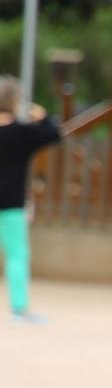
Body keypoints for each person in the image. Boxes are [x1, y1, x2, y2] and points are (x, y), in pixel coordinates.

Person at [0, 76, 62, 326]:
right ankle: (19, 309)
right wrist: (41, 114)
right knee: (16, 255)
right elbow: (53, 134)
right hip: (12, 203)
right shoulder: (22, 133)